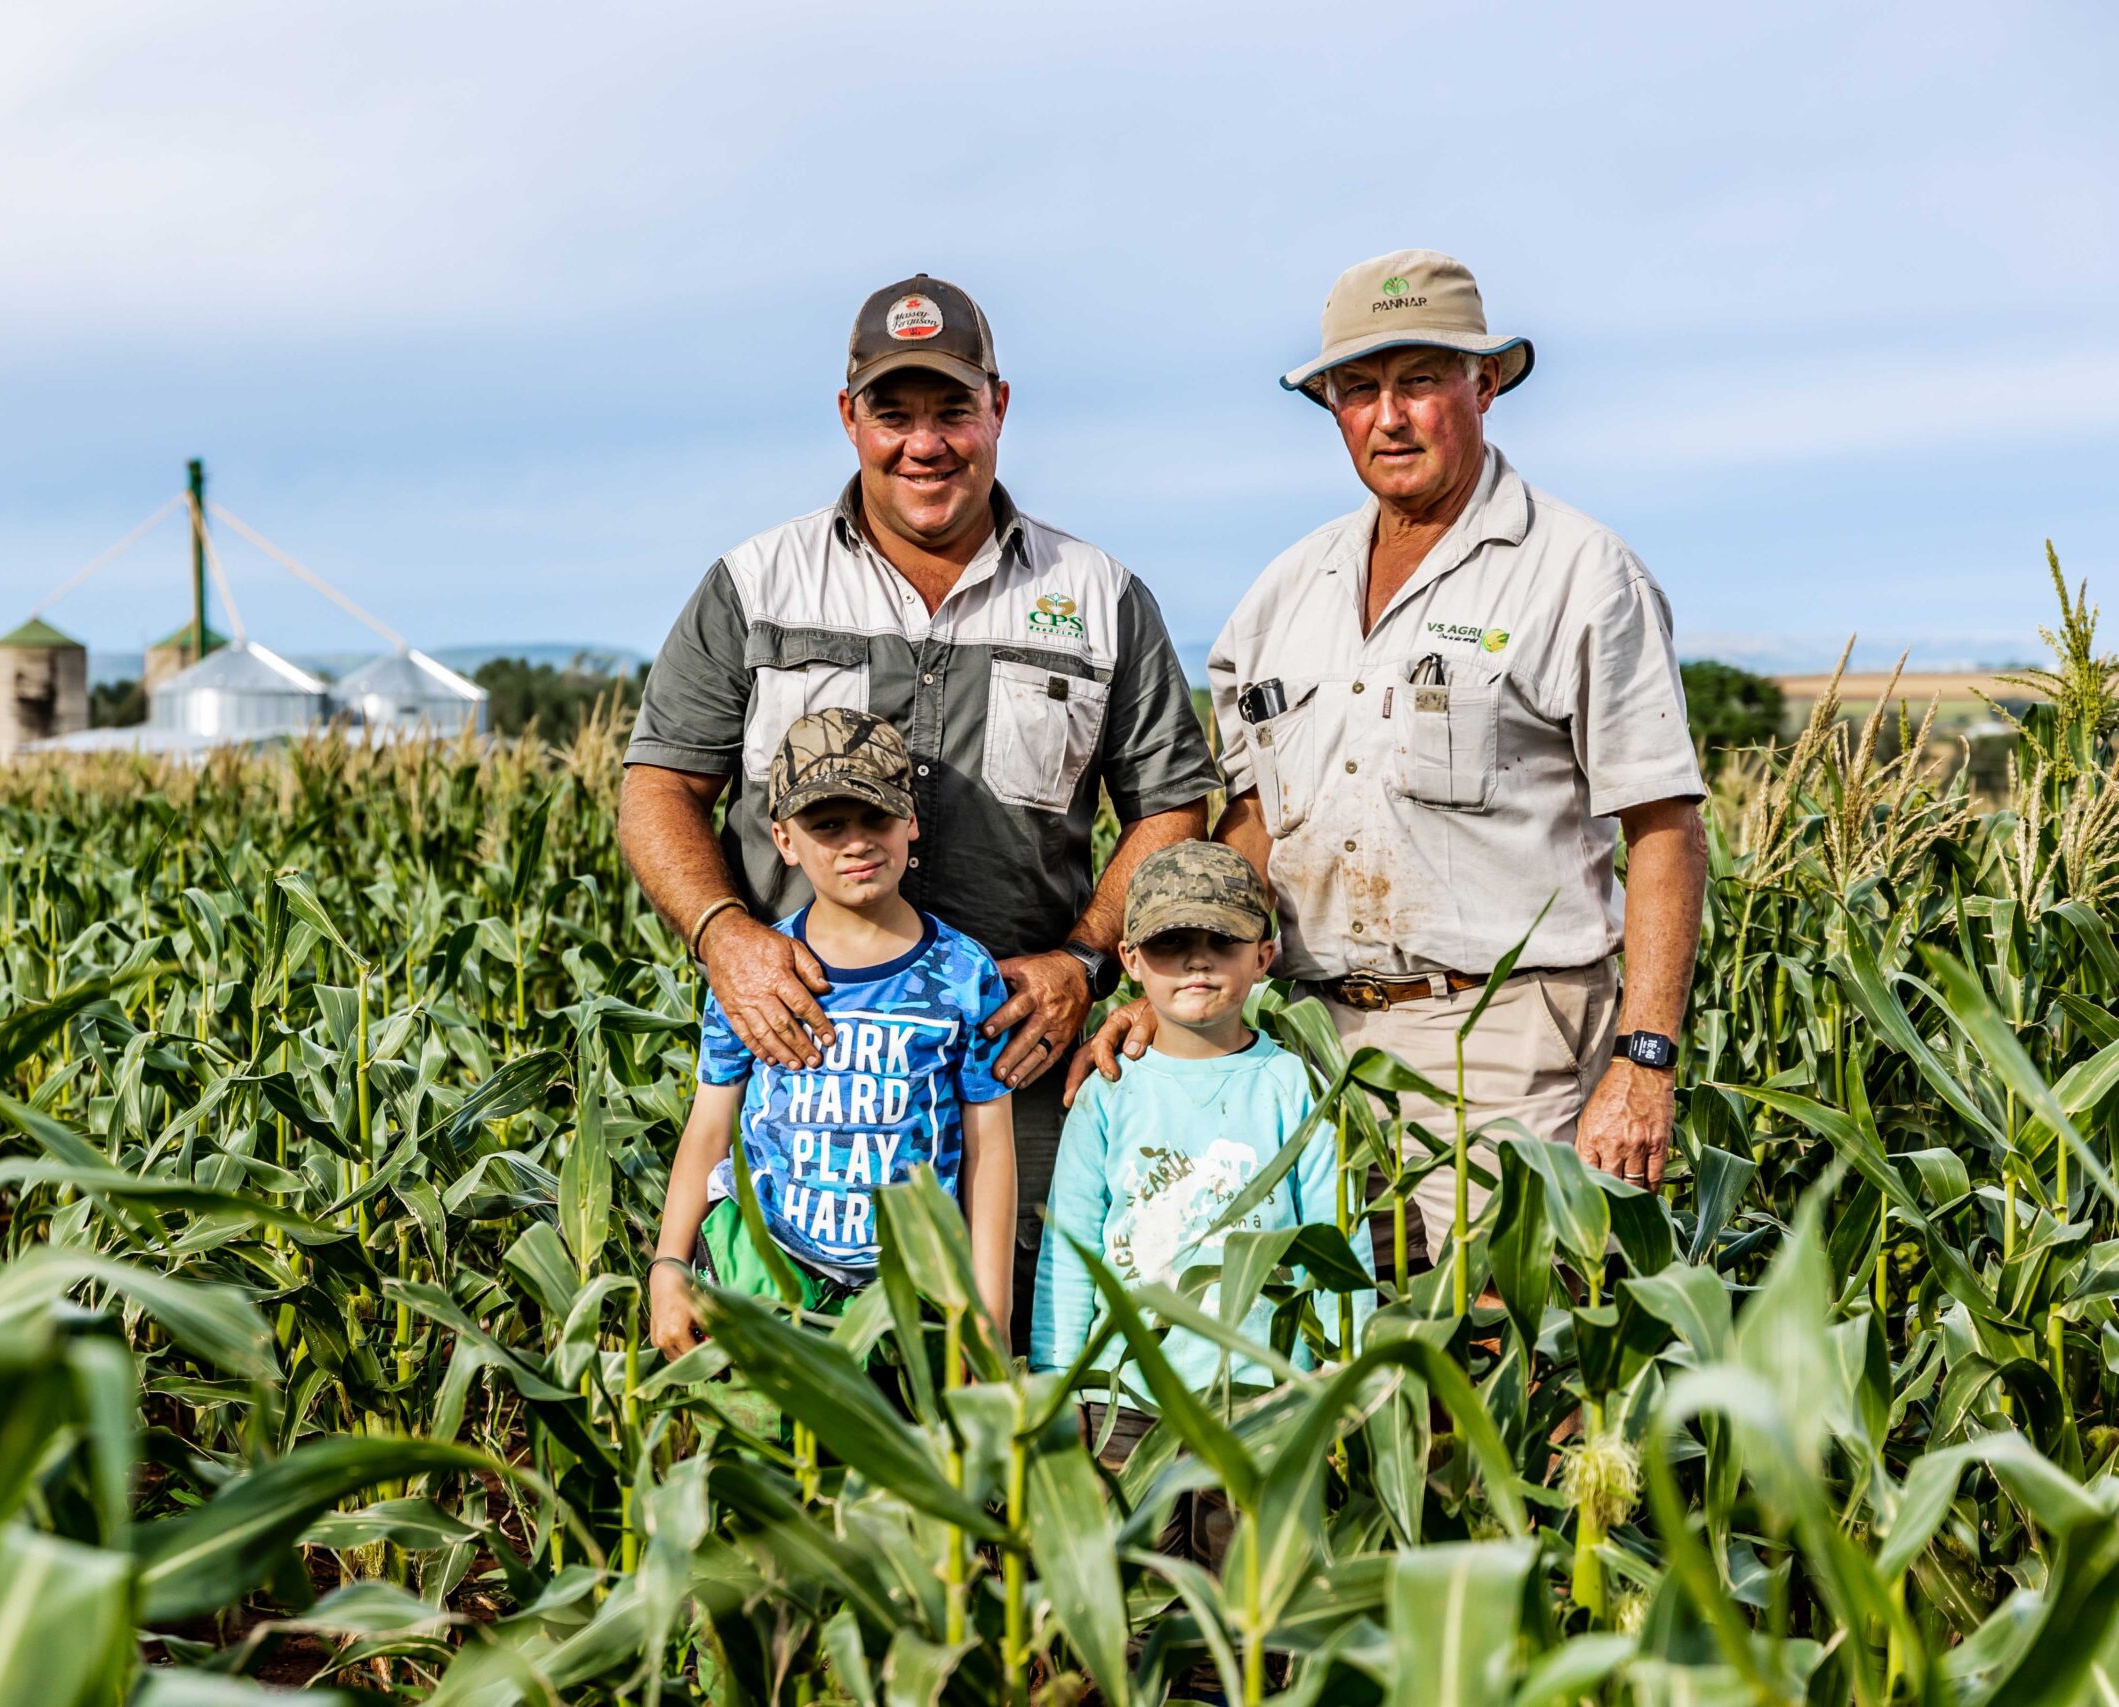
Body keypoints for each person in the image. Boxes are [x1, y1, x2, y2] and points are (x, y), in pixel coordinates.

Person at [1073, 249, 1709, 1276]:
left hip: (1507, 1037)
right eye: (1358, 390)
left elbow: (1663, 830)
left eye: (1420, 381)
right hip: (1307, 1041)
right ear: (1328, 405)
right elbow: (1251, 824)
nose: (1390, 416)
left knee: (1509, 1341)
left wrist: (1644, 1060)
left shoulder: (1578, 575)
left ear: (1483, 384)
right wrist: (1163, 993)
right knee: (1330, 1338)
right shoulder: (1285, 592)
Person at [622, 274, 1219, 1344]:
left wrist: (1082, 962)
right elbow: (658, 787)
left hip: (1013, 1060)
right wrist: (728, 942)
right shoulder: (756, 585)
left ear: (998, 404)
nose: (924, 444)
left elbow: (1171, 804)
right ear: (848, 418)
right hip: (804, 1063)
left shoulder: (1096, 596)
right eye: (893, 414)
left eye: (951, 410)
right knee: (791, 1393)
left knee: (1012, 1363)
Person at [650, 708, 1017, 1356]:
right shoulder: (754, 975)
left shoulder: (964, 975)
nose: (856, 842)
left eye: (876, 817)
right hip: (766, 1288)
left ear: (911, 822)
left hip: (910, 1303)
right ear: (784, 840)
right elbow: (708, 1128)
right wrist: (668, 1269)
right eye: (826, 824)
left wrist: (988, 1321)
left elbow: (989, 1158)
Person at [1035, 842, 1368, 1553]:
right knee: (1134, 1611)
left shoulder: (1294, 1088)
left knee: (1248, 1612)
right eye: (1171, 943)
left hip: (1261, 1403)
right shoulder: (1108, 1095)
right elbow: (1071, 1253)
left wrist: (1341, 1370)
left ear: (1265, 955)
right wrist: (1059, 1391)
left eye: (1222, 940)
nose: (1196, 961)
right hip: (1126, 1404)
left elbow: (1337, 1241)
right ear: (1128, 959)